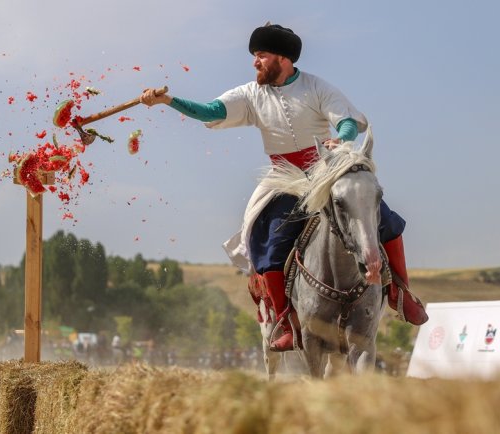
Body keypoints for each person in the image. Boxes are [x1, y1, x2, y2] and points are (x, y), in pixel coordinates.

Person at [140, 23, 428, 352]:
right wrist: (169, 100)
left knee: (387, 221)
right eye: (255, 56)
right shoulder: (249, 95)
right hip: (282, 176)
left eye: (260, 56)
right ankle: (286, 320)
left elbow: (347, 120)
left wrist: (343, 139)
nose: (255, 62)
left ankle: (400, 293)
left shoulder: (317, 87)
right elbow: (212, 110)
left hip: (325, 169)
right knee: (267, 242)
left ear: (282, 58)